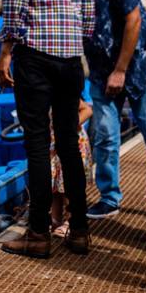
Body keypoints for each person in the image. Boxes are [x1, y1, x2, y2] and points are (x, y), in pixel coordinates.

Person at [0, 0, 95, 258]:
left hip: (36, 49)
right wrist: (78, 38)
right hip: (71, 52)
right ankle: (81, 230)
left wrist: (6, 50)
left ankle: (38, 234)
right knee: (68, 141)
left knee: (37, 143)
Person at [83, 0, 146, 219]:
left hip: (139, 67)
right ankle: (109, 198)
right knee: (105, 136)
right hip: (100, 70)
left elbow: (134, 19)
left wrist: (120, 70)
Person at [51, 99, 93, 236]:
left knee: (67, 185)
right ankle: (55, 220)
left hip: (72, 142)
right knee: (55, 187)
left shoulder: (59, 90)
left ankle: (70, 221)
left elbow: (87, 110)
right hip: (52, 143)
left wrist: (71, 125)